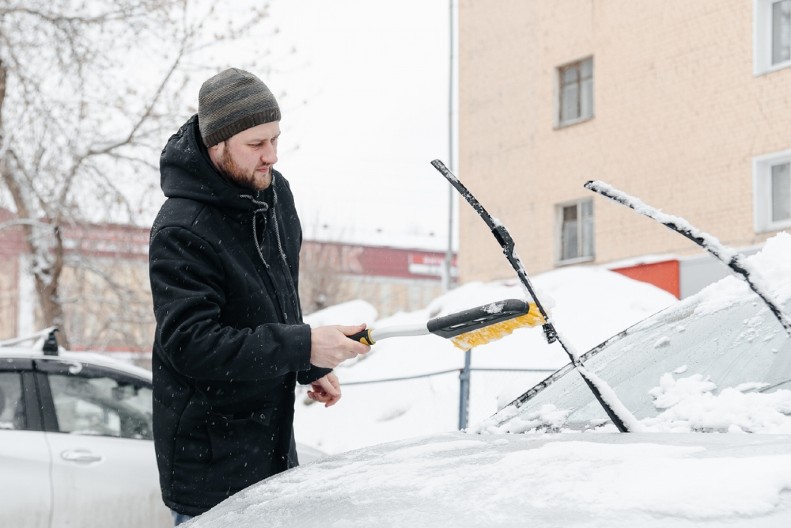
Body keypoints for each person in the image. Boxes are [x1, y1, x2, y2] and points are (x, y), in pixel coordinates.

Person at [148, 67, 371, 525]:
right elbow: (191, 345)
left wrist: (308, 363)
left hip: (270, 446)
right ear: (217, 143)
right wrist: (302, 344)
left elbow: (280, 289)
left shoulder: (273, 194)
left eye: (275, 139)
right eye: (256, 144)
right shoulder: (180, 228)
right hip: (210, 464)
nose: (270, 155)